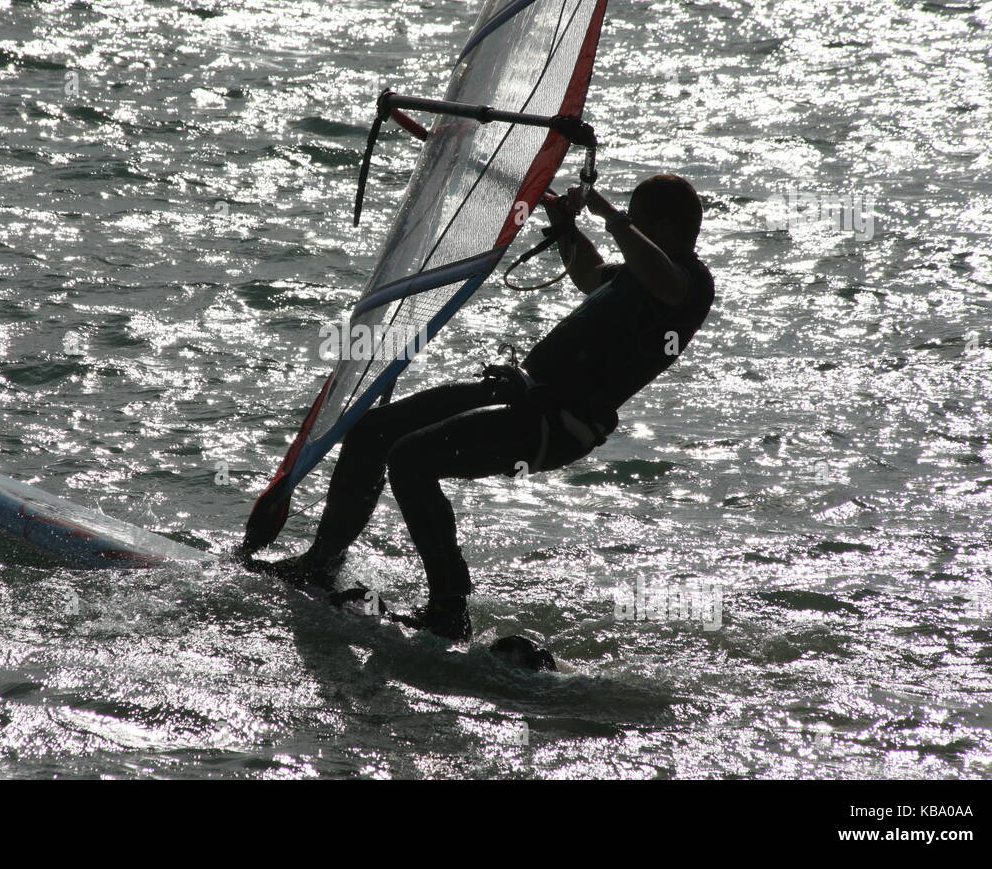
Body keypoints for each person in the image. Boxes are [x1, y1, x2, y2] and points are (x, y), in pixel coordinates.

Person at [250, 173, 715, 641]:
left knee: (411, 460)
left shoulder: (690, 283)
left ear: (667, 227)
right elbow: (590, 275)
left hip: (556, 423)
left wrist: (610, 216)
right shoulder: (638, 271)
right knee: (372, 430)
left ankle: (448, 609)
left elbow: (664, 281)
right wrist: (566, 226)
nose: (627, 227)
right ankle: (321, 563)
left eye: (637, 220)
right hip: (522, 393)